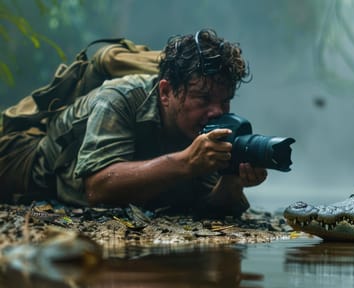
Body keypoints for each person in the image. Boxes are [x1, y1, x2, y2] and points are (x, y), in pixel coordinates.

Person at [0, 29, 267, 217]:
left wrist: (232, 181)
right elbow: (98, 188)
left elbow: (205, 204)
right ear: (166, 92)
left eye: (225, 101)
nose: (216, 111)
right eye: (203, 98)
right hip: (23, 163)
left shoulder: (202, 124)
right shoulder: (119, 98)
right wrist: (186, 163)